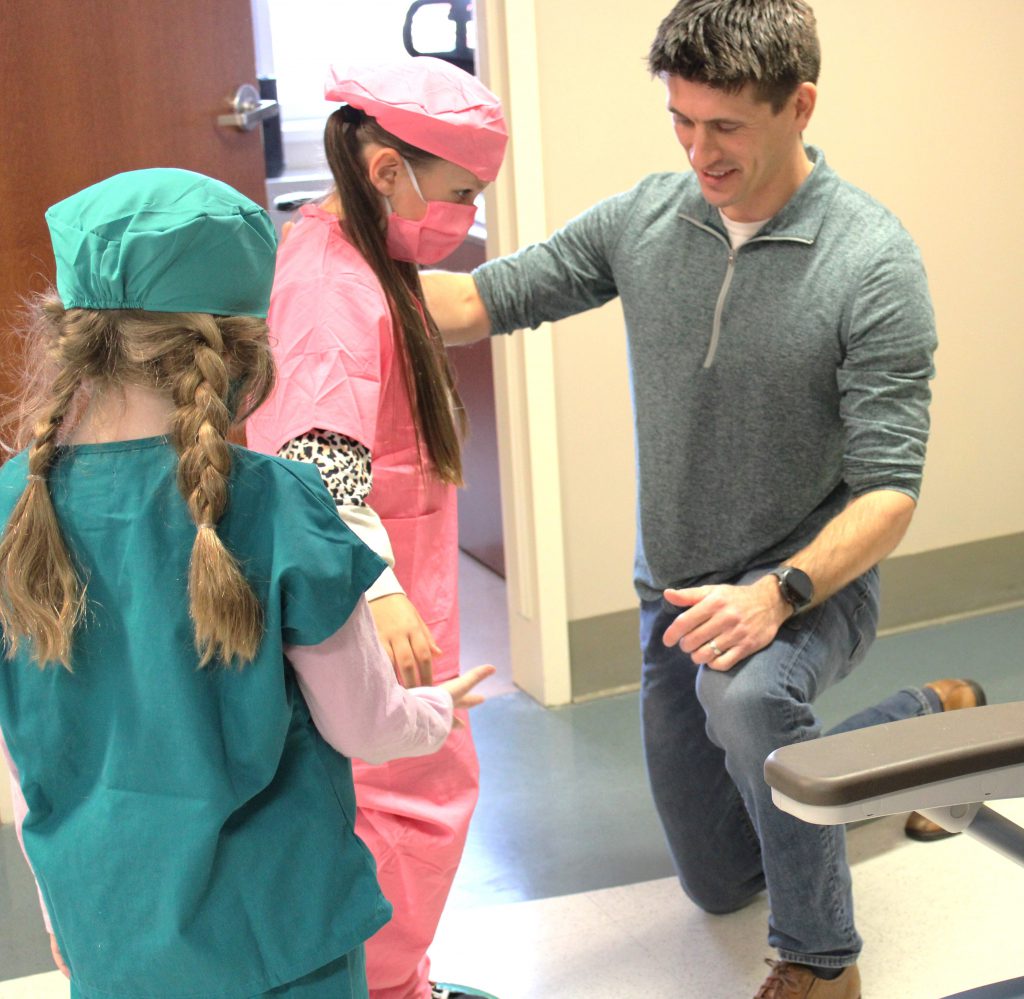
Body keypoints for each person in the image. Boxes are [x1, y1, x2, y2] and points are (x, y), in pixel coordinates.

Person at [421, 2, 985, 996]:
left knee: (752, 698)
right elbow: (479, 300)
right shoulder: (649, 218)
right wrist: (337, 262)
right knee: (721, 882)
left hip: (807, 587)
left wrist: (777, 593)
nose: (698, 151)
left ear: (798, 104)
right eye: (681, 121)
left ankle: (820, 958)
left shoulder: (870, 263)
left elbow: (890, 491)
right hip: (674, 595)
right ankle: (919, 723)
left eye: (724, 126)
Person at [0, 167, 493, 999]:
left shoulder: (18, 506)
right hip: (281, 930)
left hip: (110, 919)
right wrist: (437, 709)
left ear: (73, 333)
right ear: (237, 344)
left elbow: (23, 762)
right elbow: (367, 725)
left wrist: (63, 906)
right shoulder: (275, 503)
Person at [244, 58, 507, 999]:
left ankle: (400, 978)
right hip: (372, 587)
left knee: (414, 781)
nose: (467, 215)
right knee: (406, 789)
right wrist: (380, 589)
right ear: (389, 170)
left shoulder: (359, 253)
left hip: (399, 569)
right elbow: (316, 452)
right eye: (462, 192)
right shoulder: (329, 287)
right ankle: (385, 987)